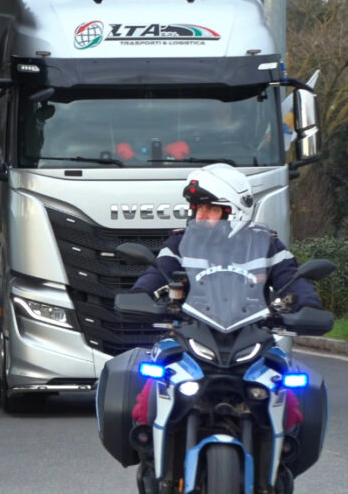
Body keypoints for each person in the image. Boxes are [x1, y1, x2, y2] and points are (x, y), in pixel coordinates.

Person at [129, 163, 323, 427]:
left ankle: (284, 456)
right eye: (198, 208)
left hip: (252, 336)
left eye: (210, 209)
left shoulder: (266, 243)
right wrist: (140, 294)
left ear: (235, 211)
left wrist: (308, 306)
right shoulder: (180, 243)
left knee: (288, 402)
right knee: (148, 397)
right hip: (189, 334)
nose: (200, 216)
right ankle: (150, 452)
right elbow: (158, 273)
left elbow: (290, 278)